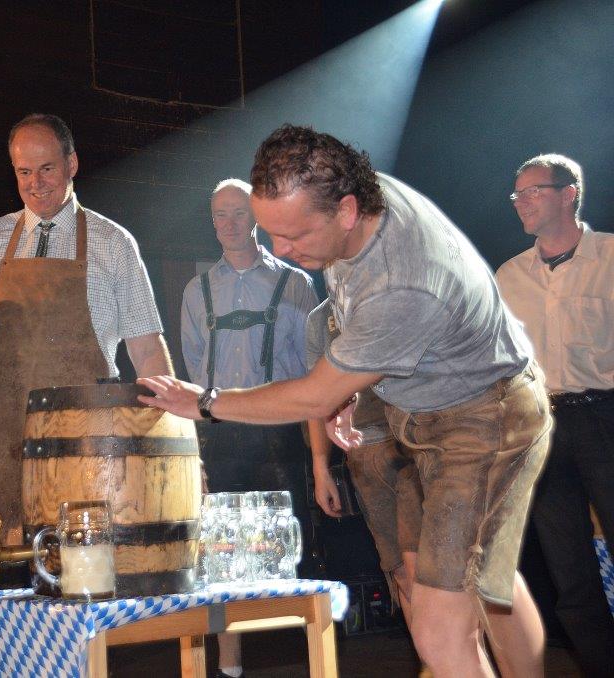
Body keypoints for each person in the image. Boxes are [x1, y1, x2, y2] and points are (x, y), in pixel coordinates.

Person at [139, 125, 552, 678]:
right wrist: (349, 386)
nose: (280, 250)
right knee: (469, 581)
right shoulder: (348, 194)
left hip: (485, 418)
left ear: (348, 211)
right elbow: (335, 333)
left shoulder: (402, 280)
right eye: (272, 232)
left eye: (294, 236)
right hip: (421, 415)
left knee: (439, 625)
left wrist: (206, 402)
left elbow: (314, 394)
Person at [0, 113, 174, 546]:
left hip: (89, 449)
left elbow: (146, 349)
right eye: (24, 172)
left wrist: (167, 442)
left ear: (72, 164)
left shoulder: (114, 243)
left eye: (46, 169)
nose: (36, 183)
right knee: (0, 565)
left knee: (84, 565)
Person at [181, 178, 318, 678]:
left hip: (281, 434)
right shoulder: (196, 291)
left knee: (288, 548)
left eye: (238, 212)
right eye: (220, 214)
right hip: (221, 437)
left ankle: (306, 662)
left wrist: (319, 454)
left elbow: (314, 372)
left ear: (256, 216)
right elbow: (194, 372)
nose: (229, 223)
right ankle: (231, 667)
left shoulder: (296, 284)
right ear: (212, 221)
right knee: (221, 554)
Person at [495, 154, 614, 677]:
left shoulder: (610, 257)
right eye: (517, 195)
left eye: (532, 192)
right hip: (540, 426)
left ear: (569, 194)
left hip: (605, 416)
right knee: (569, 573)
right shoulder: (509, 275)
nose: (520, 202)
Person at [306, 299, 424, 638]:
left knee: (425, 570)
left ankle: (457, 658)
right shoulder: (320, 318)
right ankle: (432, 660)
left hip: (415, 442)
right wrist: (320, 467)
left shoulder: (389, 291)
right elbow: (316, 397)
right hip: (363, 452)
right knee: (398, 570)